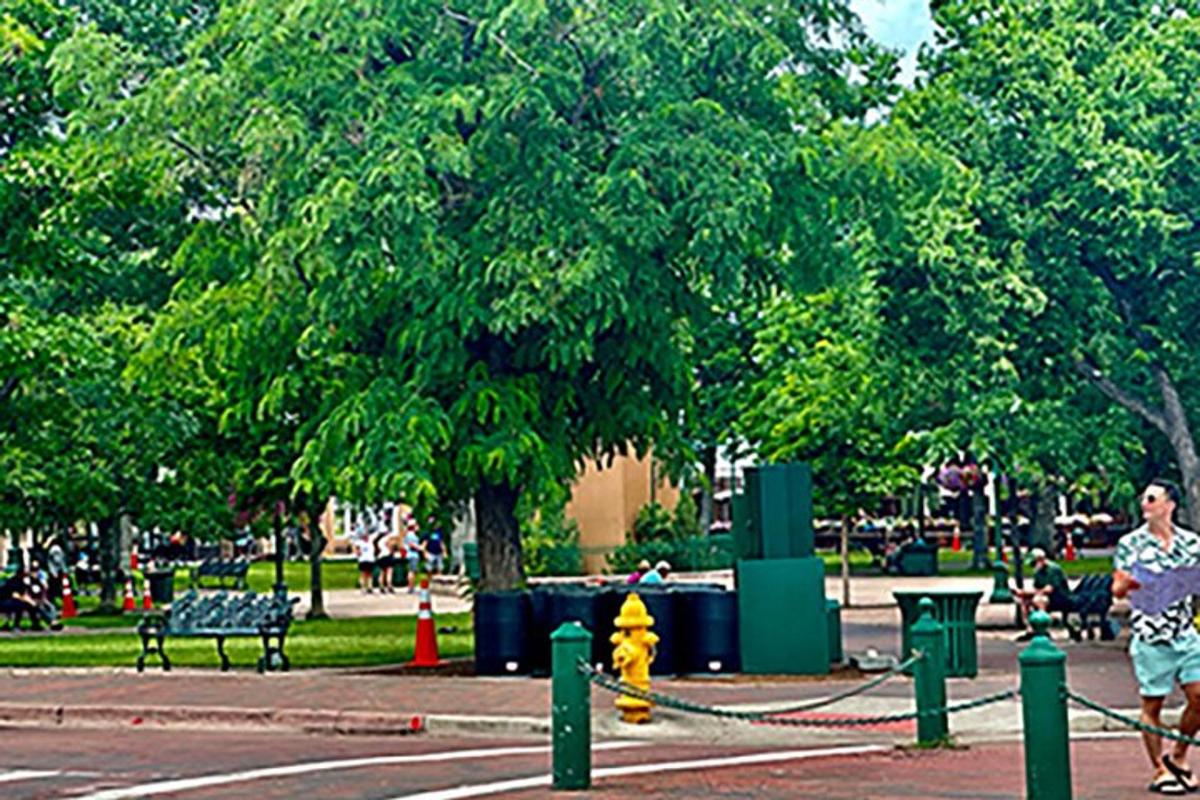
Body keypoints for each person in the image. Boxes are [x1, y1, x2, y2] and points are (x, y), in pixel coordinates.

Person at [1113, 479, 1200, 794]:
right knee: (1153, 705)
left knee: (1199, 696)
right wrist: (1133, 582)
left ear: (1170, 505)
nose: (1144, 504)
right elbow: (1118, 589)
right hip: (1151, 636)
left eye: (1151, 498)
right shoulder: (1131, 544)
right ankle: (1159, 770)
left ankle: (1178, 756)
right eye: (1143, 498)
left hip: (1185, 634)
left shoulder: (1192, 543)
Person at [1013, 547, 1076, 641]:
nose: (1033, 566)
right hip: (1046, 596)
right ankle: (1030, 629)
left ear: (1041, 560)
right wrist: (1024, 594)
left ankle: (1043, 628)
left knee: (1039, 600)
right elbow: (1037, 588)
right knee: (1025, 601)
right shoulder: (1038, 572)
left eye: (1034, 563)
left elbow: (1049, 590)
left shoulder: (1053, 569)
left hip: (1060, 597)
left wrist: (1028, 592)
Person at [403, 518, 424, 593]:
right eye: (416, 525)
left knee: (413, 571)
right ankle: (410, 587)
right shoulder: (411, 535)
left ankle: (412, 586)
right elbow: (411, 545)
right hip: (412, 555)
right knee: (412, 571)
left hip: (413, 555)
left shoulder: (410, 535)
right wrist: (420, 548)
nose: (418, 527)